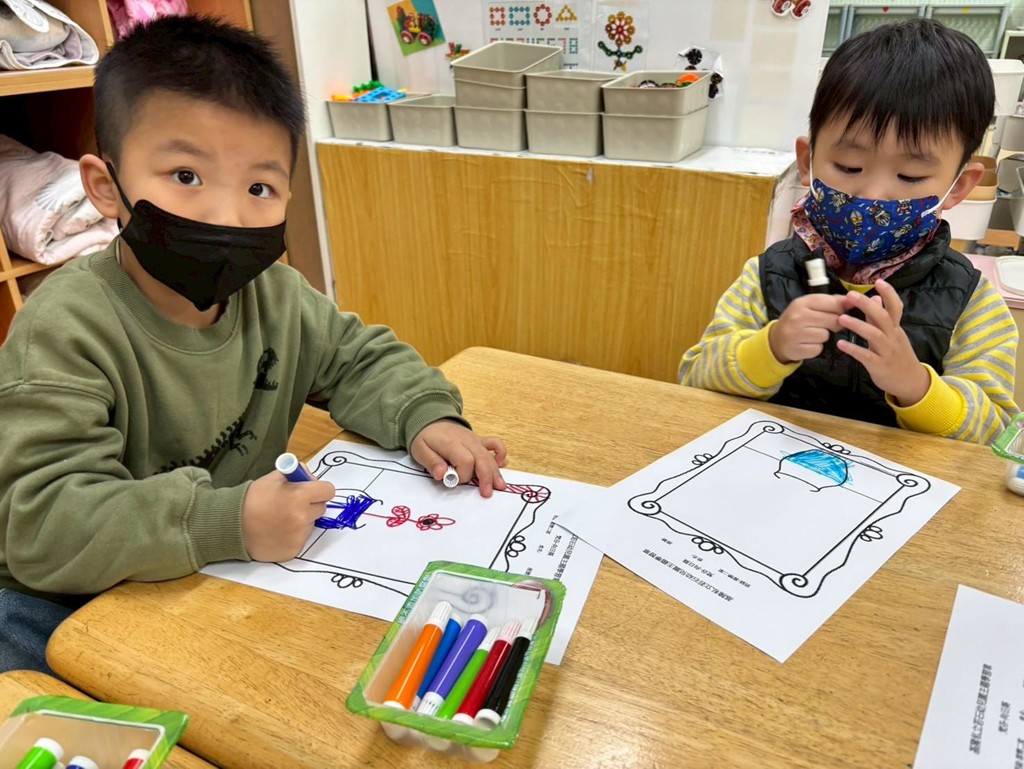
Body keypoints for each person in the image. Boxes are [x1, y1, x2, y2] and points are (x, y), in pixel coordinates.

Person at [0, 15, 507, 673]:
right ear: (105, 187)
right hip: (58, 604)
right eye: (186, 176)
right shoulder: (65, 329)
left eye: (260, 188)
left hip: (211, 576)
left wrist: (425, 414)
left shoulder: (277, 294)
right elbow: (45, 525)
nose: (228, 215)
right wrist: (227, 522)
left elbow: (360, 358)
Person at [679, 18, 1018, 444]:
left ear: (959, 187)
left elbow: (997, 435)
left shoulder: (971, 301)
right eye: (849, 166)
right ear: (808, 162)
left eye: (910, 176)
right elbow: (694, 378)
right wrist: (770, 348)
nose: (873, 194)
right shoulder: (768, 274)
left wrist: (917, 387)